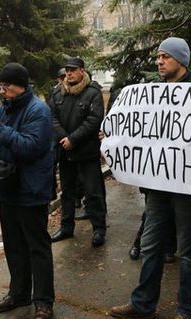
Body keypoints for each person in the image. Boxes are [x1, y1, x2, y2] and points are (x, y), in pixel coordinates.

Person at [108, 36, 191, 319]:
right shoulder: (152, 95)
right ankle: (142, 304)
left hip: (188, 187)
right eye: (158, 57)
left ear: (181, 60)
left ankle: (189, 309)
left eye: (165, 57)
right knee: (151, 246)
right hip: (158, 187)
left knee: (189, 250)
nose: (159, 61)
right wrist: (113, 136)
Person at [0, 63, 55, 319]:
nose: (2, 91)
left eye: (5, 86)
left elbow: (30, 147)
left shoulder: (38, 111)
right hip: (8, 187)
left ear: (20, 85)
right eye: (0, 86)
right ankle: (18, 293)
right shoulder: (4, 109)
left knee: (37, 247)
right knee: (14, 246)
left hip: (31, 190)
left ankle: (43, 301)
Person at [49, 57, 107, 247]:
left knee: (93, 191)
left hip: (87, 152)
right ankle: (66, 227)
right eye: (67, 70)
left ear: (82, 71)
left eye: (73, 70)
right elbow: (52, 117)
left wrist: (73, 139)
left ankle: (98, 228)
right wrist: (63, 138)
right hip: (65, 152)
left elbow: (94, 119)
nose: (69, 73)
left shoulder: (92, 93)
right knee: (67, 192)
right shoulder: (58, 93)